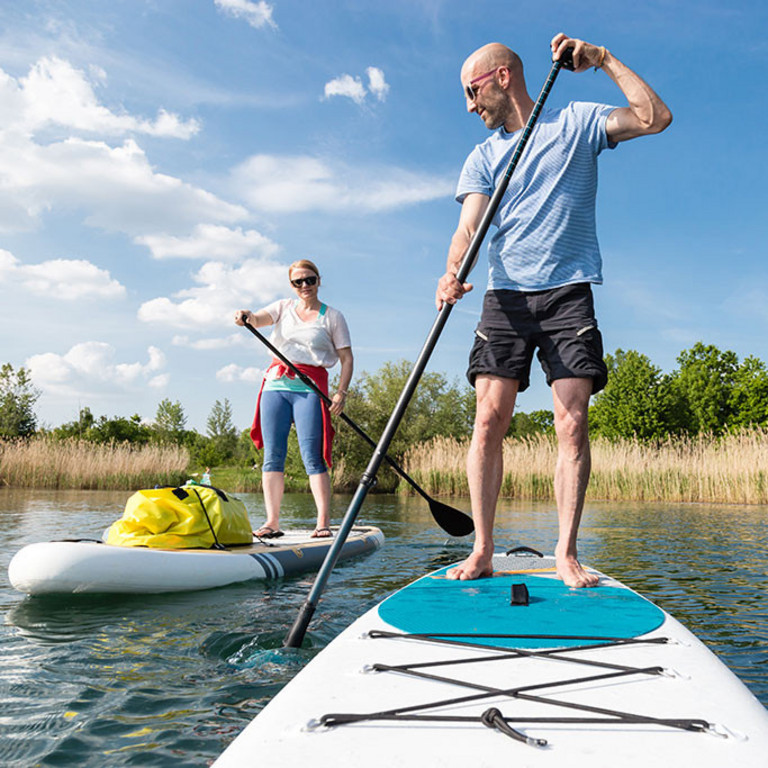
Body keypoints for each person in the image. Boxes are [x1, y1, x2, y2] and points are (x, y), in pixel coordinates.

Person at [436, 34, 672, 586]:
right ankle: (483, 549)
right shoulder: (485, 155)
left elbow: (654, 117)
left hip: (568, 293)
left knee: (571, 425)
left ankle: (565, 552)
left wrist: (605, 59)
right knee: (489, 420)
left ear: (500, 76)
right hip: (505, 297)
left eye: (472, 92)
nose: (470, 106)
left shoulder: (576, 124)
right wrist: (452, 271)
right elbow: (468, 227)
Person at [235, 259, 353, 539]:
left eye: (309, 280)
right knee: (272, 456)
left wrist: (341, 392)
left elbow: (347, 359)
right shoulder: (282, 307)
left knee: (312, 456)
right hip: (274, 386)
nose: (304, 286)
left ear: (318, 280)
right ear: (291, 285)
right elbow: (256, 319)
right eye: (298, 282)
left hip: (310, 389)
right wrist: (245, 316)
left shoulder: (332, 316)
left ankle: (322, 523)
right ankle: (272, 522)